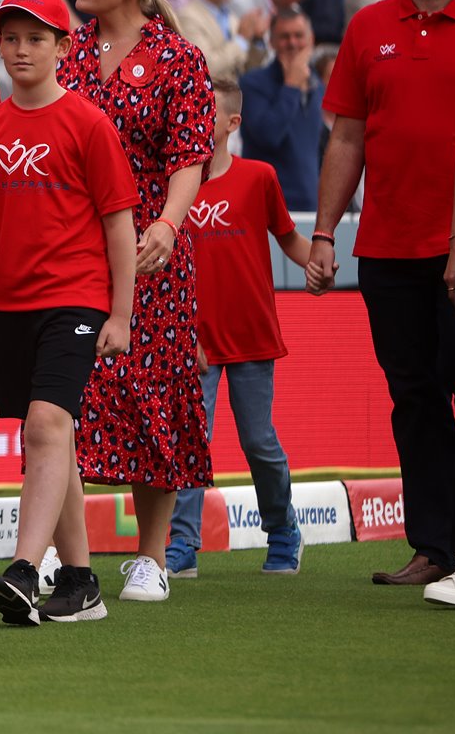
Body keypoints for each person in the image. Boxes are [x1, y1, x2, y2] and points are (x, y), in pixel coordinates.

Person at [0, 0, 137, 625]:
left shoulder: (88, 124)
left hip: (78, 298)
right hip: (8, 302)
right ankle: (82, 580)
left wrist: (120, 313)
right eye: (9, 38)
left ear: (65, 47)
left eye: (35, 38)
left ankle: (21, 569)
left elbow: (120, 224)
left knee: (44, 427)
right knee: (52, 439)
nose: (20, 49)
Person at [59, 0, 217, 604]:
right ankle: (69, 561)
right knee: (60, 399)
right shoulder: (67, 56)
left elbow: (190, 156)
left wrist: (167, 224)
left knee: (151, 395)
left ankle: (151, 558)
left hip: (152, 256)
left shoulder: (178, 58)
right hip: (70, 247)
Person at [307, 0, 455, 589]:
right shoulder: (369, 27)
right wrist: (322, 233)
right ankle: (434, 548)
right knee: (416, 400)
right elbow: (347, 136)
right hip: (390, 249)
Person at [166, 77, 311, 578]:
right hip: (193, 342)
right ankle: (182, 545)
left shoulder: (259, 177)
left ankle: (283, 530)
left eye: (207, 114)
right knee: (190, 442)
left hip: (251, 336)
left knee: (258, 442)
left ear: (232, 124)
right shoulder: (174, 183)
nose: (196, 123)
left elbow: (289, 237)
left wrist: (318, 263)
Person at [239, 9, 324, 210]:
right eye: (285, 37)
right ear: (272, 42)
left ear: (311, 39)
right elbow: (268, 135)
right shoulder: (252, 83)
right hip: (266, 205)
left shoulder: (318, 85)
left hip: (310, 205)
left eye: (299, 36)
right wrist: (291, 87)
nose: (292, 43)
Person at [178, 0, 262, 83]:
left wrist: (257, 40)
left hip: (234, 99)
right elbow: (204, 67)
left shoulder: (233, 17)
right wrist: (241, 39)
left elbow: (249, 69)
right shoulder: (187, 17)